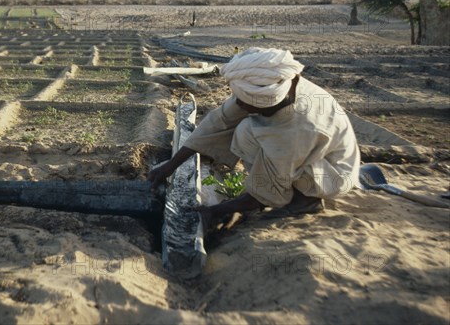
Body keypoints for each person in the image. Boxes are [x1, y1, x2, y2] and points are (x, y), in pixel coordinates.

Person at [149, 47, 360, 227]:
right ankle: (285, 193)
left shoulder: (299, 127)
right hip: (305, 154)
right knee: (244, 130)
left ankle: (305, 201)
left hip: (331, 174)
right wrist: (171, 166)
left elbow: (272, 185)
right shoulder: (272, 88)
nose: (238, 104)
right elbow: (218, 122)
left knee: (249, 134)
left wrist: (219, 210)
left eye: (243, 101)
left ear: (266, 102)